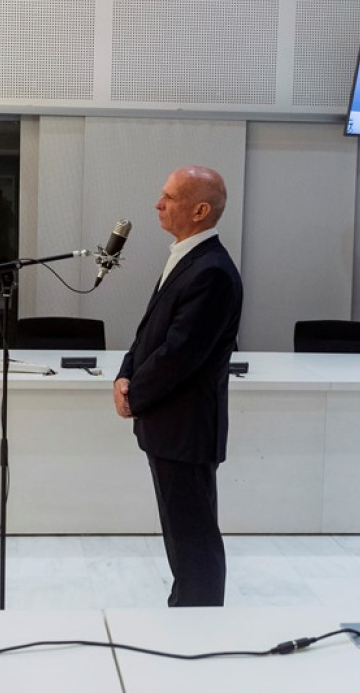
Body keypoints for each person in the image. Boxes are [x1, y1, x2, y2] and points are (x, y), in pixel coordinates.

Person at [114, 165, 243, 608]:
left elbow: (179, 353)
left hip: (185, 428)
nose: (158, 204)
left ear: (200, 210)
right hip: (169, 423)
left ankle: (199, 618)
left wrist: (134, 394)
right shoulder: (186, 257)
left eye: (169, 197)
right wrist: (124, 373)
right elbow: (150, 329)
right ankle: (187, 606)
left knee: (193, 534)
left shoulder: (213, 272)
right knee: (182, 529)